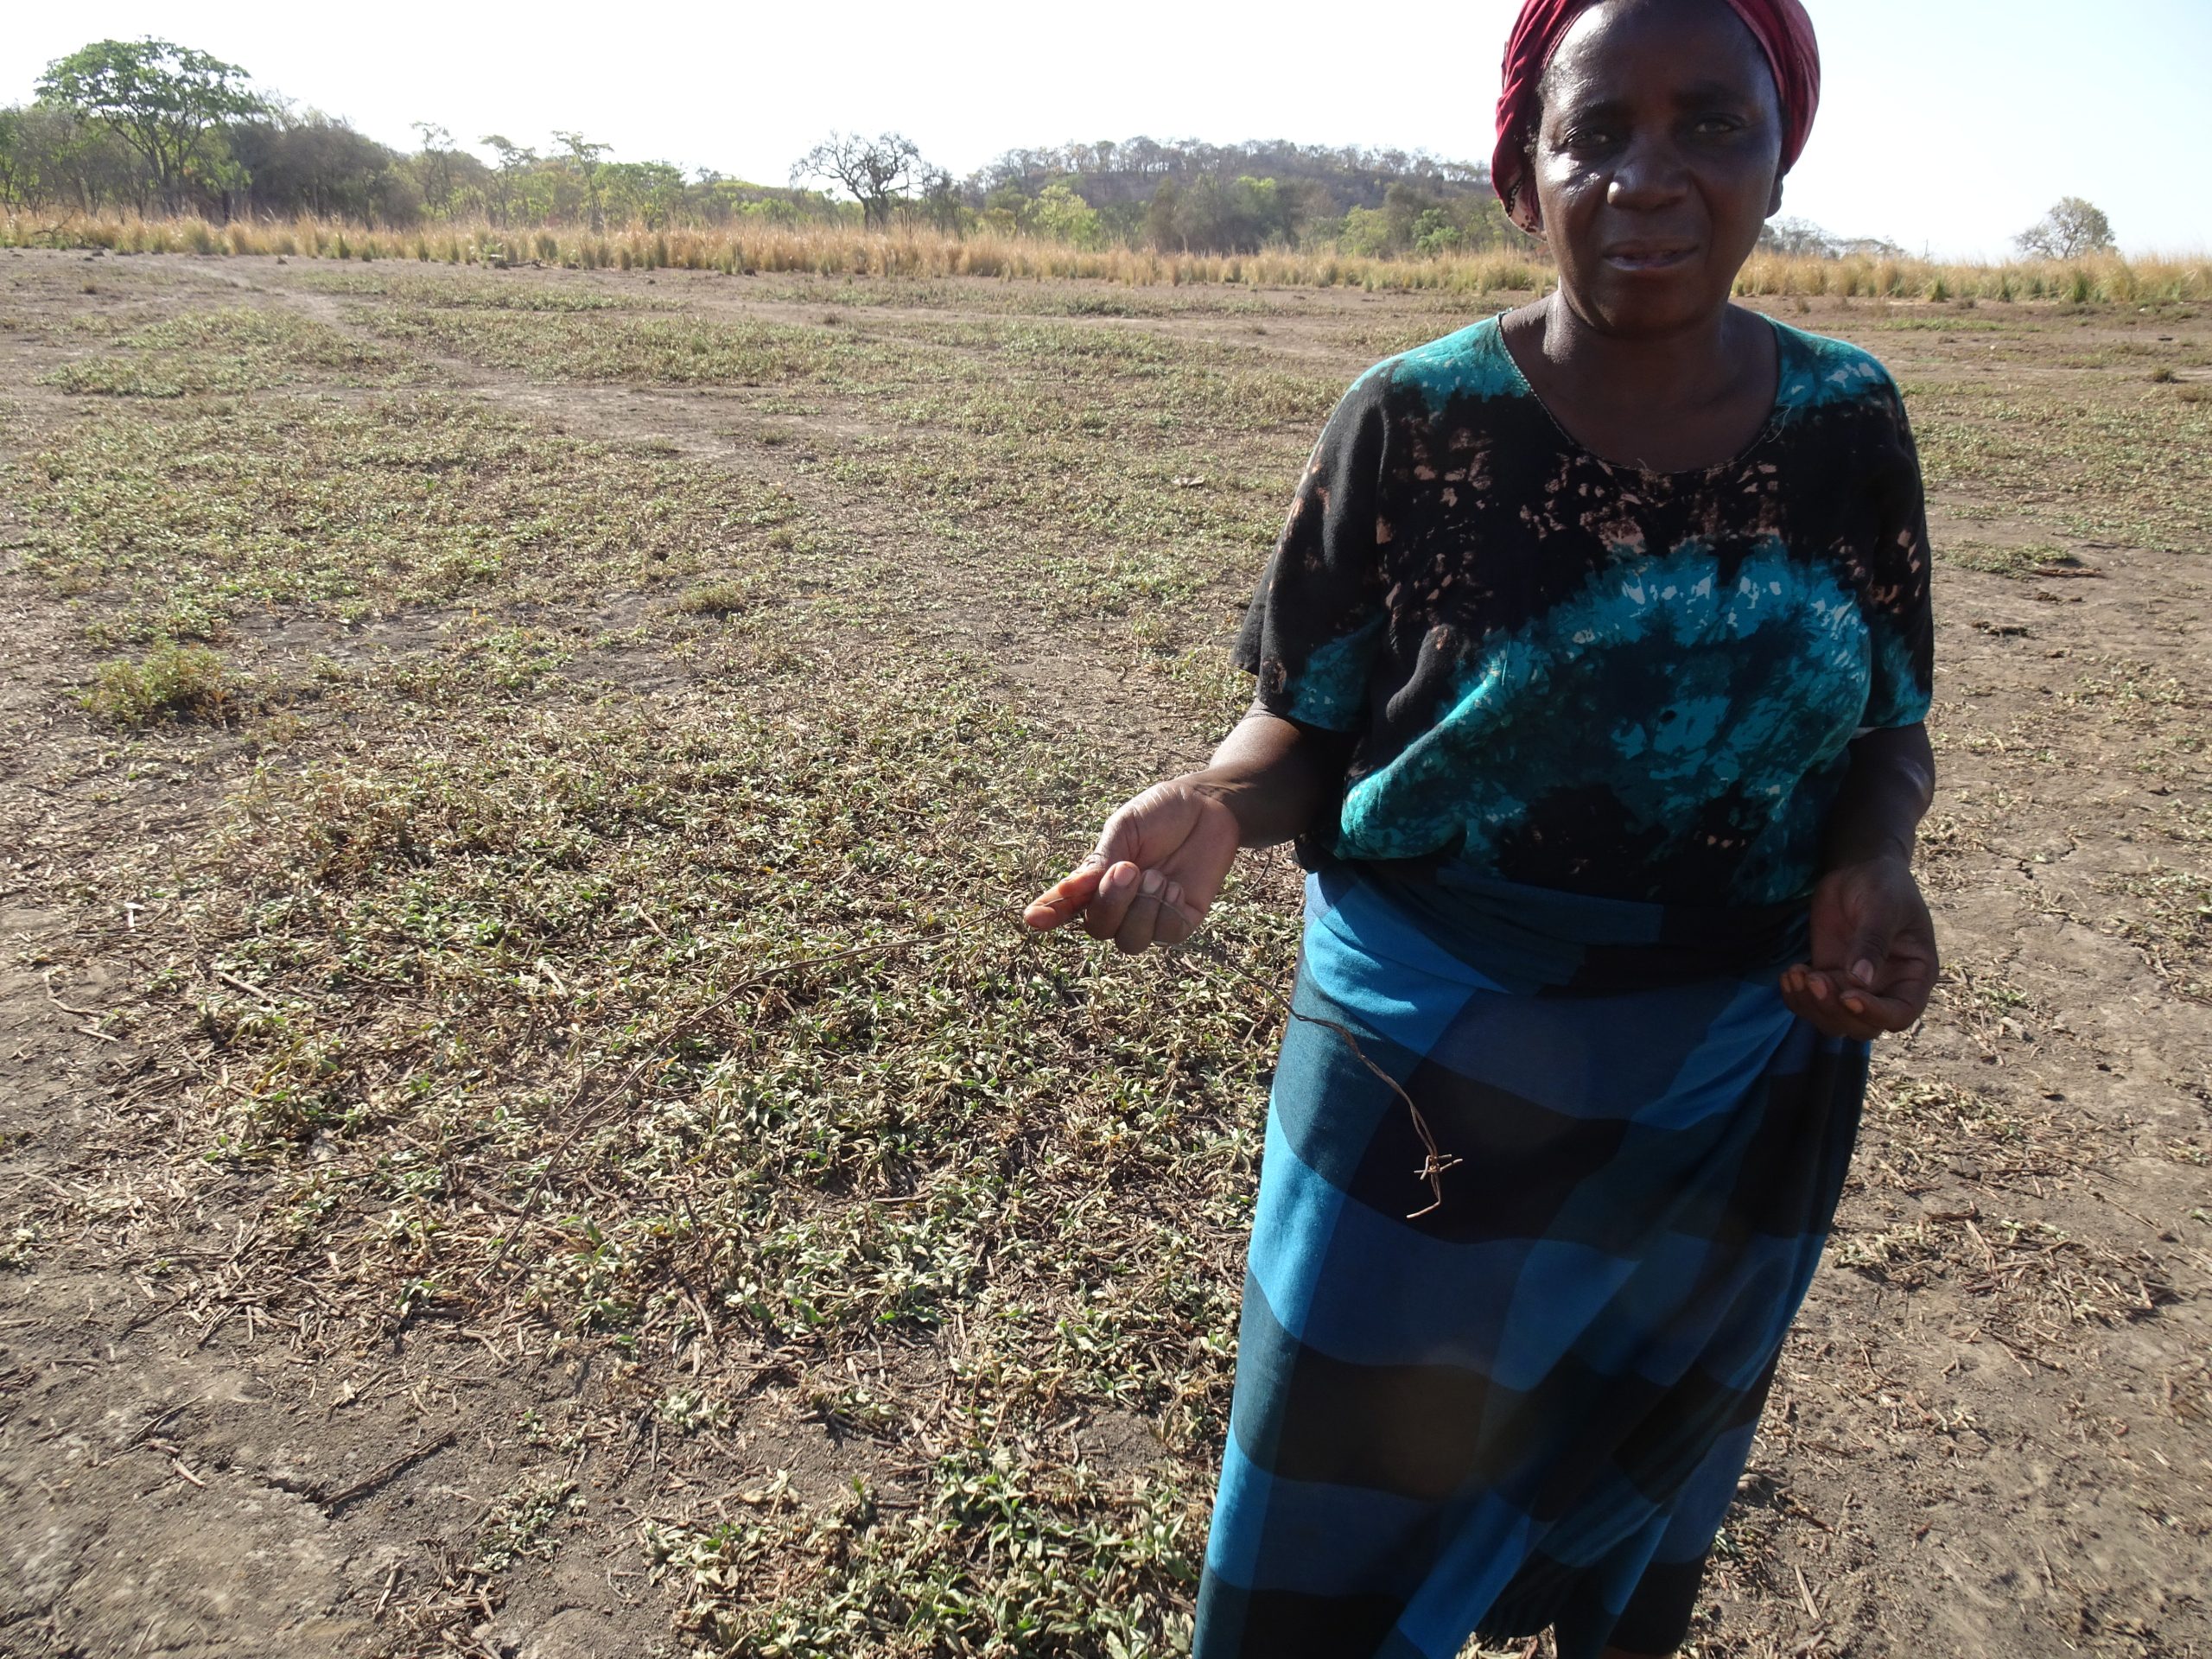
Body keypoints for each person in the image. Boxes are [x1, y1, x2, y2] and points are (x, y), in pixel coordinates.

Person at [1025, 0, 1936, 1652]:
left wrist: (1875, 858)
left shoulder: (1849, 429)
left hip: (1730, 1073)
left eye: (1711, 123)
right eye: (1597, 131)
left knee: (1636, 1508)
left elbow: (1888, 727)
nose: (1649, 176)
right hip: (1433, 1070)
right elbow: (1306, 727)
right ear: (1523, 175)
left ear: (1780, 158)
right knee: (1331, 1520)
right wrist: (1216, 805)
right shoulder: (1417, 421)